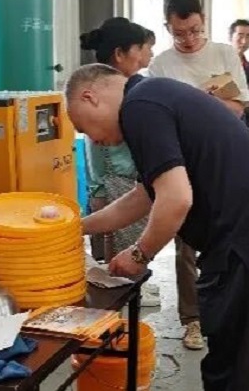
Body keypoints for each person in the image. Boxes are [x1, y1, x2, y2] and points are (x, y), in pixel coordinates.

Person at [65, 63, 249, 391]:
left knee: (231, 369)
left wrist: (140, 253)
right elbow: (143, 197)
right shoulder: (152, 97)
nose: (93, 140)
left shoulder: (140, 107)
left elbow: (176, 198)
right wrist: (76, 228)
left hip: (246, 243)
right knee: (233, 359)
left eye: (83, 127)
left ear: (89, 97)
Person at [147, 0, 249, 351]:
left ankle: (225, 311)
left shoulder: (224, 54)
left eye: (194, 30)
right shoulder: (161, 66)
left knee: (228, 239)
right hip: (183, 163)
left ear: (203, 20)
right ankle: (192, 319)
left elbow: (238, 108)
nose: (189, 40)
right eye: (180, 33)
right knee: (186, 244)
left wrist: (199, 105)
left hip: (224, 161)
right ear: (167, 27)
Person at [80, 17, 160, 307]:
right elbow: (95, 148)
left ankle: (130, 290)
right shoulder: (107, 94)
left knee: (127, 248)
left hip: (131, 180)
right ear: (120, 53)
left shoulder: (127, 89)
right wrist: (98, 191)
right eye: (140, 47)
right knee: (122, 252)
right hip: (119, 181)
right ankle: (126, 295)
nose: (145, 54)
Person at [229, 19, 249, 127]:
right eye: (240, 36)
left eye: (248, 36)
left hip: (244, 120)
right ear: (231, 37)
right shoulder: (221, 63)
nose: (244, 41)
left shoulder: (248, 66)